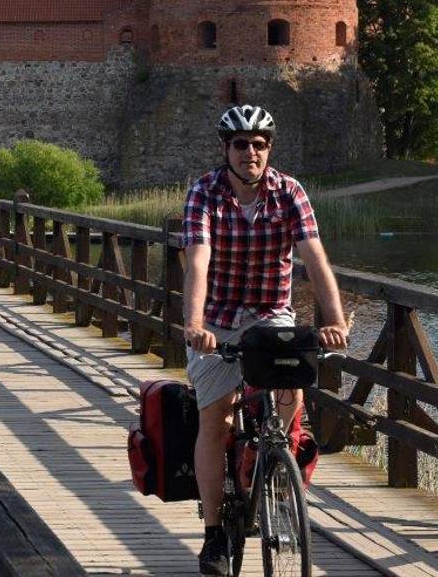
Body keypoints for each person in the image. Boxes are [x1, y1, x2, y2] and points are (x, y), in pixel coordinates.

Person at [181, 105, 350, 576]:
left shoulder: (290, 192)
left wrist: (334, 320)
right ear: (226, 150)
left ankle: (268, 459)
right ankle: (214, 534)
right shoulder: (205, 192)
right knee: (214, 418)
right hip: (217, 320)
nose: (250, 153)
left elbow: (314, 257)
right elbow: (198, 260)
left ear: (269, 149)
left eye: (259, 144)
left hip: (273, 315)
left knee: (291, 391)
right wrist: (195, 325)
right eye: (241, 145)